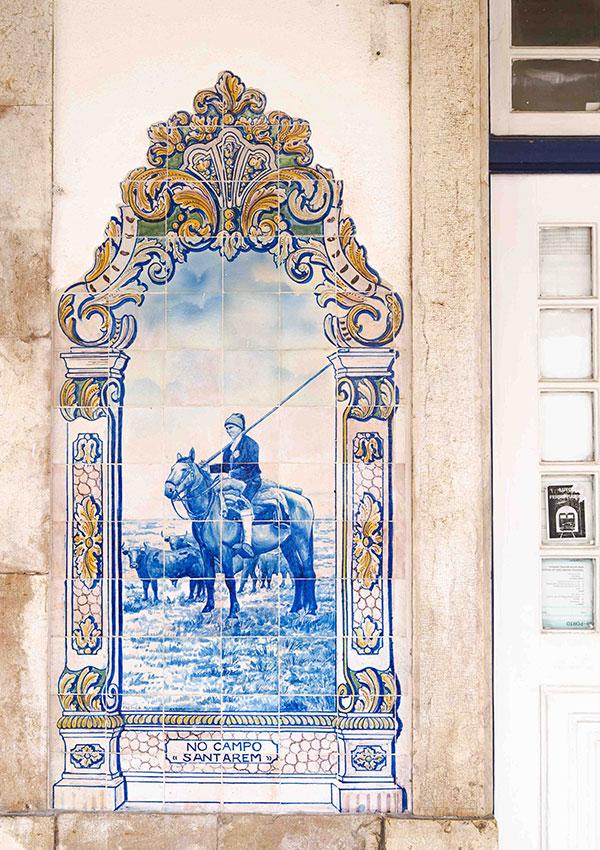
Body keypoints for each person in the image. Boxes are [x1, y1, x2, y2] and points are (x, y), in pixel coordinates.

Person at [210, 413, 261, 558]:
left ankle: (247, 543)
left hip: (251, 481)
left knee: (242, 504)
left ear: (240, 427)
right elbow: (225, 467)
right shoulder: (228, 449)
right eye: (226, 428)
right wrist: (208, 468)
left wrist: (232, 474)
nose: (228, 430)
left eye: (231, 427)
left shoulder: (251, 444)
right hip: (234, 481)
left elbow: (251, 467)